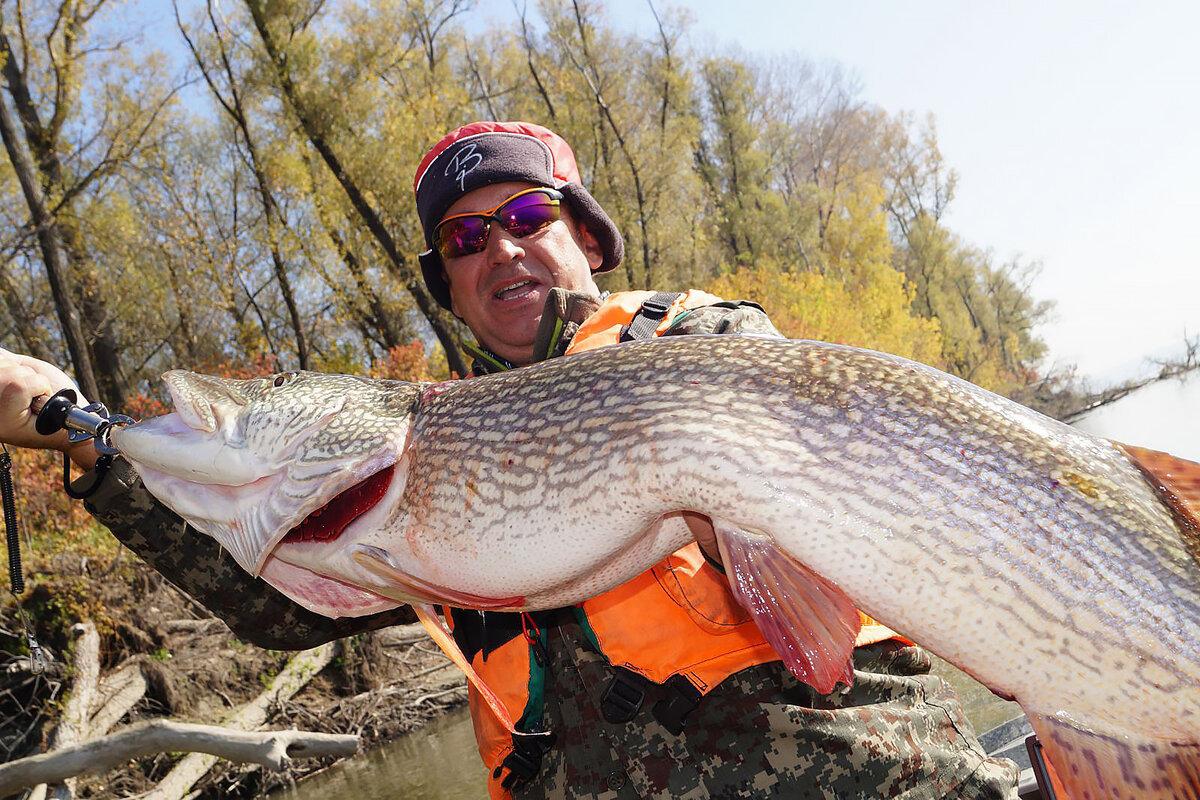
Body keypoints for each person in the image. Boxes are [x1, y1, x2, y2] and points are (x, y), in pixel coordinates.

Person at [0, 121, 1019, 799]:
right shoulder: (422, 472)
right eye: (464, 239)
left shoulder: (696, 335)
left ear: (585, 234)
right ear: (450, 284)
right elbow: (282, 604)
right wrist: (80, 435)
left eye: (528, 217)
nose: (499, 248)